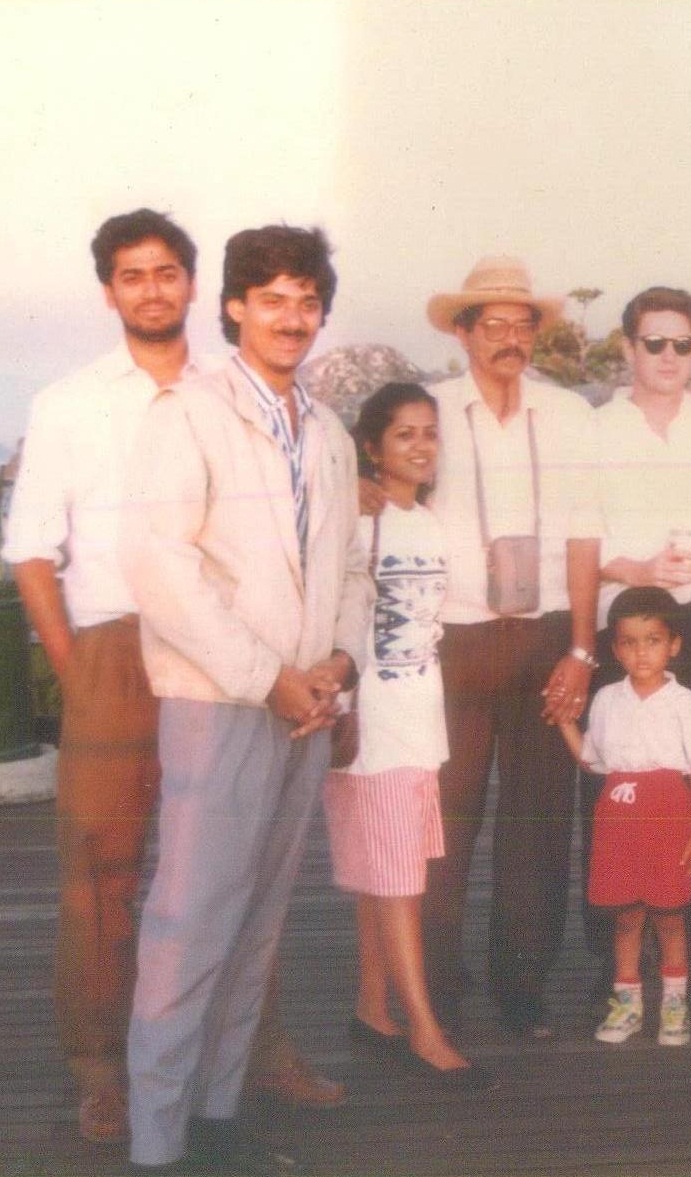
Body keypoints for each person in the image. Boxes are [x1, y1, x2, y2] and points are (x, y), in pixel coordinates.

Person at [3, 209, 345, 1146]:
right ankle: (101, 1071)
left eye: (166, 272)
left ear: (197, 288)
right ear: (108, 291)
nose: (151, 289)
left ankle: (253, 1051)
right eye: (131, 275)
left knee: (234, 874)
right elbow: (31, 551)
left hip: (230, 658)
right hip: (116, 651)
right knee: (103, 872)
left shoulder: (235, 390)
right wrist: (76, 671)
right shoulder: (70, 403)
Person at [120, 224, 370, 1172]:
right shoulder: (186, 414)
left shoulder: (329, 431)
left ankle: (218, 1112)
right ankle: (156, 1141)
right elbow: (160, 566)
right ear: (233, 307)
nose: (292, 318)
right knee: (188, 924)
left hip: (306, 710)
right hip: (220, 704)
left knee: (258, 919)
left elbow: (351, 567)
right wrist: (268, 677)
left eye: (307, 301)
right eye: (272, 300)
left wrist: (336, 663)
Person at [420, 255, 602, 1041]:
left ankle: (522, 982)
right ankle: (434, 983)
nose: (508, 338)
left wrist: (583, 650)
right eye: (491, 323)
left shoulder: (569, 415)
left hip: (546, 636)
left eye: (521, 324)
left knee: (537, 819)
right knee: (444, 819)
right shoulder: (429, 410)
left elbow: (586, 535)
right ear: (463, 333)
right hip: (452, 639)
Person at [323, 382, 492, 1093]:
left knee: (388, 868)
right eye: (404, 434)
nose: (422, 446)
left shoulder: (428, 521)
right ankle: (424, 1029)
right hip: (371, 720)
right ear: (371, 447)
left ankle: (373, 1008)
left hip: (420, 715)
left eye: (430, 432)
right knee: (397, 879)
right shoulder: (353, 521)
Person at [585, 286, 691, 1015]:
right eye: (654, 343)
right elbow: (579, 534)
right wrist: (637, 569)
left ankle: (687, 965)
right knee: (616, 797)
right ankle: (615, 969)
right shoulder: (598, 430)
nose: (669, 356)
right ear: (628, 348)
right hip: (624, 624)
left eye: (682, 343)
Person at [561, 586, 691, 1048]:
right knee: (626, 915)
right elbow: (593, 762)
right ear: (615, 650)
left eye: (653, 641)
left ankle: (674, 1006)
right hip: (618, 820)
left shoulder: (686, 703)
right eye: (629, 643)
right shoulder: (606, 699)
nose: (641, 652)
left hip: (669, 817)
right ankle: (628, 1006)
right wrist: (565, 721)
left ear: (674, 645)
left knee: (670, 917)